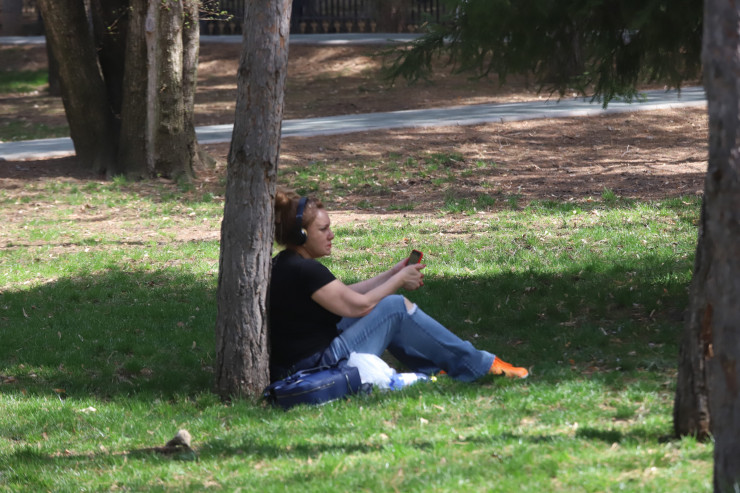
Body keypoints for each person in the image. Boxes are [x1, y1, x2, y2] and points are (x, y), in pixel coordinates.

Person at [268, 188, 529, 383]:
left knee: (382, 305)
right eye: (323, 229)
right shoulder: (306, 270)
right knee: (394, 307)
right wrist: (399, 281)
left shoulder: (285, 263)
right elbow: (358, 306)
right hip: (319, 367)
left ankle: (437, 367)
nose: (331, 235)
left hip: (301, 363)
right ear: (301, 235)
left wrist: (391, 273)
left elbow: (345, 296)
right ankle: (479, 366)